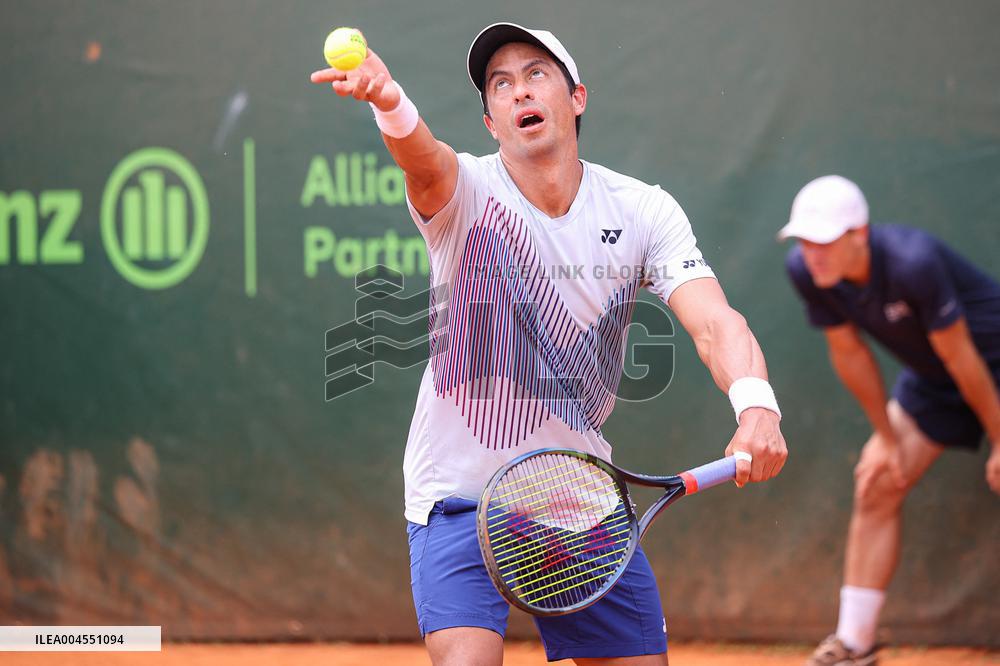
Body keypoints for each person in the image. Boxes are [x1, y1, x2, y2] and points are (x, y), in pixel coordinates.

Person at [312, 22, 787, 665]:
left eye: (536, 74)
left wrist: (756, 403)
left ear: (577, 98)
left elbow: (714, 323)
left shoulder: (643, 210)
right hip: (458, 495)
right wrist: (390, 101)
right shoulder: (467, 192)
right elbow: (425, 164)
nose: (518, 92)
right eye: (500, 85)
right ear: (490, 122)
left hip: (574, 495)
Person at [779, 175, 1000, 666]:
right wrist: (887, 437)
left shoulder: (912, 263)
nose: (812, 253)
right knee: (877, 478)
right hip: (936, 380)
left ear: (859, 234)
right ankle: (854, 643)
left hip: (987, 364)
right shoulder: (808, 273)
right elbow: (850, 354)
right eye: (804, 241)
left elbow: (964, 359)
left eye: (824, 241)